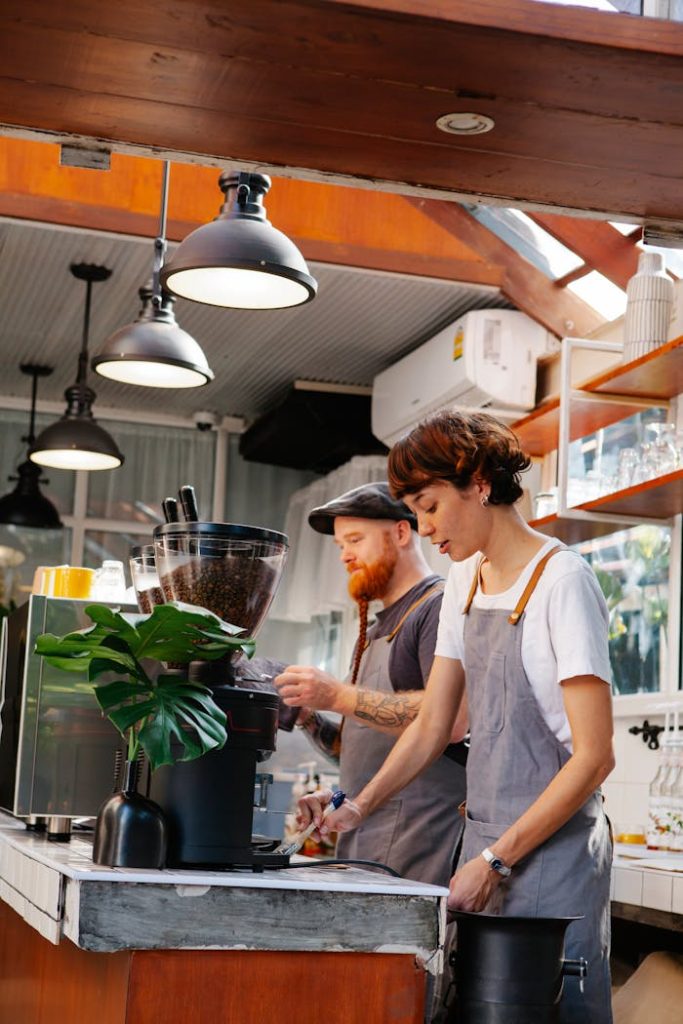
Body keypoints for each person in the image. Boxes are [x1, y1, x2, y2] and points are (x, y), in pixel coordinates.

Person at [300, 412, 615, 1024]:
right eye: (415, 510)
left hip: (552, 854)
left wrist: (498, 859)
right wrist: (360, 804)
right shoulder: (465, 578)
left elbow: (596, 756)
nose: (423, 527)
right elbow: (432, 723)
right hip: (483, 845)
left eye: (431, 506)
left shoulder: (562, 582)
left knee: (546, 1009)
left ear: (476, 481)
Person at [275, 481, 467, 886]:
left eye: (356, 540)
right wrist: (310, 718)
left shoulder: (436, 609)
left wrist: (339, 696)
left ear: (400, 532)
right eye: (341, 545)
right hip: (363, 840)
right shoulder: (373, 630)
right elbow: (364, 746)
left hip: (420, 844)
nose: (345, 555)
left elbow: (449, 720)